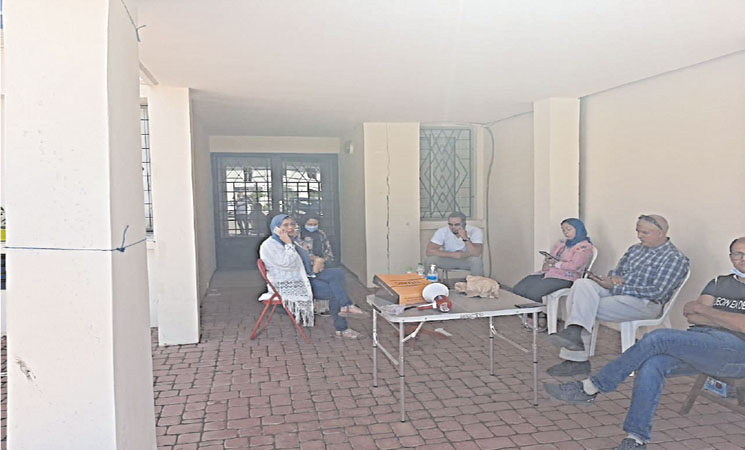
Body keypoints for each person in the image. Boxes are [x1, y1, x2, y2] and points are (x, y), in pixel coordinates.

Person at [545, 237, 745, 450]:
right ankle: (636, 439)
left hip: (736, 353)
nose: (743, 259)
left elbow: (735, 324)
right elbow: (692, 314)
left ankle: (594, 386)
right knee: (652, 365)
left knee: (660, 338)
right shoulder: (719, 282)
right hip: (702, 342)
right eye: (738, 254)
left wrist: (707, 312)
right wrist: (721, 318)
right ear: (730, 257)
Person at [546, 214, 689, 377]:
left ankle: (576, 357)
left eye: (645, 233)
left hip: (644, 303)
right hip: (619, 293)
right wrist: (610, 279)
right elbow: (616, 272)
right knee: (581, 285)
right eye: (638, 231)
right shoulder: (635, 249)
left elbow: (657, 292)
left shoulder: (673, 258)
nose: (639, 236)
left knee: (581, 305)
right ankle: (574, 335)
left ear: (661, 233)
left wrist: (619, 287)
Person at [259, 214, 361, 338]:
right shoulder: (270, 245)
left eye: (292, 224)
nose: (290, 228)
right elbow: (287, 263)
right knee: (335, 292)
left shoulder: (291, 240)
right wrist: (289, 244)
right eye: (285, 225)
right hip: (291, 283)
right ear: (276, 228)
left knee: (337, 273)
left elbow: (302, 257)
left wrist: (313, 259)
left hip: (302, 275)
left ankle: (346, 305)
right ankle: (342, 328)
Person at [513, 218, 594, 330]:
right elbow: (553, 256)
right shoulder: (562, 243)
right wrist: (549, 261)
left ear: (578, 229)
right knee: (519, 289)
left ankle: (538, 317)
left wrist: (556, 264)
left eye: (569, 229)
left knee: (534, 292)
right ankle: (533, 315)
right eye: (563, 230)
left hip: (567, 278)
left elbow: (574, 266)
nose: (565, 232)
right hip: (551, 273)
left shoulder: (584, 247)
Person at [295, 214, 365, 316]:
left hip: (321, 266)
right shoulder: (298, 236)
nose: (313, 226)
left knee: (338, 274)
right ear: (304, 224)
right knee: (335, 278)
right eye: (310, 224)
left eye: (315, 224)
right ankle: (345, 305)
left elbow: (328, 251)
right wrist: (314, 260)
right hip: (307, 269)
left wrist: (323, 261)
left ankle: (345, 306)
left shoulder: (321, 234)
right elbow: (300, 254)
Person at [425, 211, 484, 276]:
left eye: (457, 224)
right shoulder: (442, 231)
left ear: (464, 224)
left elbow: (476, 253)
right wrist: (452, 254)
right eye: (450, 224)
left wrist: (465, 238)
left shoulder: (475, 231)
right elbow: (429, 251)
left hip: (466, 259)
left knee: (476, 261)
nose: (453, 227)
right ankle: (431, 282)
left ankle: (477, 282)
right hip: (448, 259)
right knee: (430, 260)